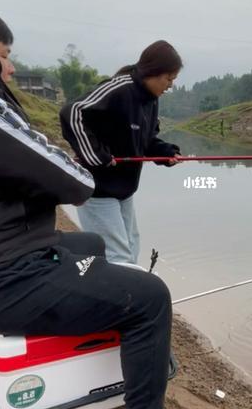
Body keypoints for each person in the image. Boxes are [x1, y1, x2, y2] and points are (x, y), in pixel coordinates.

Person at [0, 0, 172, 409]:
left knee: (90, 242)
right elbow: (72, 180)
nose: (11, 67)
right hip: (5, 279)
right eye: (5, 55)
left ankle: (96, 334)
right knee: (151, 298)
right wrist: (87, 163)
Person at [60, 40, 183, 266]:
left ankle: (126, 295)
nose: (170, 85)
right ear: (153, 72)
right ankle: (124, 299)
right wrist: (95, 156)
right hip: (97, 188)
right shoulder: (120, 89)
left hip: (124, 189)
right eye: (169, 79)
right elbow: (72, 112)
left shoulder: (151, 101)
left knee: (131, 246)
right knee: (117, 256)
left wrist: (164, 153)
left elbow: (144, 141)